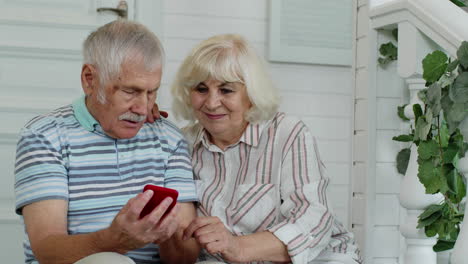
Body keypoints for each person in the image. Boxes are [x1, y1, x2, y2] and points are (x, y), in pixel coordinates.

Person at [14, 20, 200, 264]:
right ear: (90, 79)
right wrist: (113, 240)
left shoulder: (168, 138)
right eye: (130, 91)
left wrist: (167, 235)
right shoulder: (44, 136)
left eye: (151, 92)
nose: (143, 108)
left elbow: (184, 258)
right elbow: (47, 251)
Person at [168, 34, 362, 264]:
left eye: (226, 90)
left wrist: (237, 246)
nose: (211, 103)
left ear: (250, 94)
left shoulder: (288, 133)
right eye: (201, 89)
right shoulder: (181, 143)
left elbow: (314, 219)